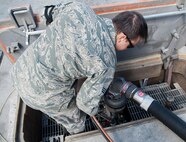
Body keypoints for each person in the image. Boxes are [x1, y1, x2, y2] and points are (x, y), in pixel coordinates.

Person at [11, 0, 148, 134]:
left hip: (20, 68)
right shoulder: (107, 62)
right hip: (41, 93)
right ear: (123, 38)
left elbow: (49, 12)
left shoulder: (80, 8)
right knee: (77, 125)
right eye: (130, 45)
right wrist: (98, 109)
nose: (127, 49)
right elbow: (84, 104)